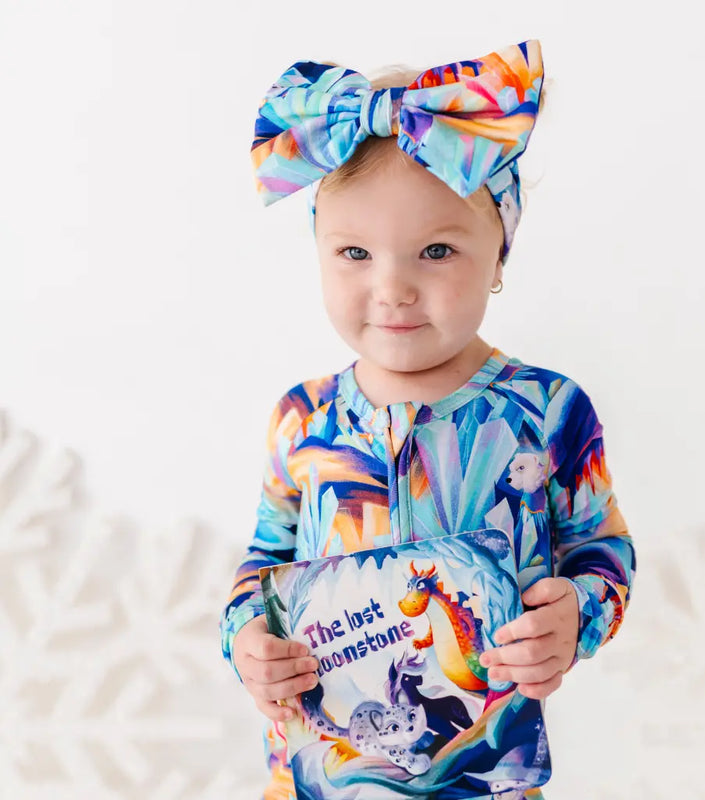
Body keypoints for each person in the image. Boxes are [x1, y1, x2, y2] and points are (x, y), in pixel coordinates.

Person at [220, 39, 635, 800]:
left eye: (436, 250)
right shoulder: (301, 418)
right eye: (354, 253)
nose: (393, 288)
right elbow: (263, 560)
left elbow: (604, 552)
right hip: (323, 777)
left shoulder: (547, 411)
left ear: (499, 253)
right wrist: (248, 639)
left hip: (483, 779)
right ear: (317, 252)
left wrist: (575, 615)